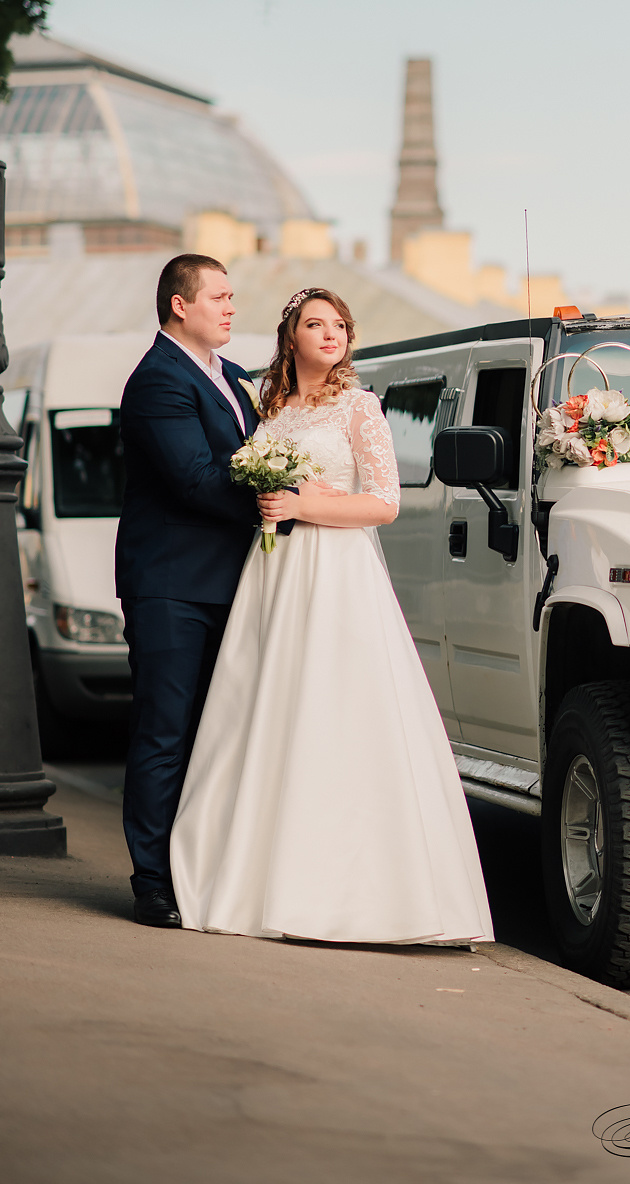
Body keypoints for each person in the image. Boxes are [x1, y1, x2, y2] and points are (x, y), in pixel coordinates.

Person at [169, 288, 494, 947]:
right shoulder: (270, 405)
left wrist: (300, 508)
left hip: (338, 574)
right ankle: (256, 878)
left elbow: (383, 504)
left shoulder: (361, 407)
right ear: (291, 336)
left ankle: (350, 894)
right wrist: (268, 501)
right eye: (315, 324)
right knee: (268, 708)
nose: (330, 334)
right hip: (276, 574)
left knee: (337, 709)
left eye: (339, 325)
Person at [116, 254, 261, 928]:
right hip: (171, 586)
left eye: (233, 297)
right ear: (180, 305)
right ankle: (153, 883)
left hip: (232, 583)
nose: (231, 307)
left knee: (219, 735)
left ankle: (199, 869)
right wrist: (281, 500)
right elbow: (196, 480)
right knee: (164, 733)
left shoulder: (233, 378)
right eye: (220, 297)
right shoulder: (158, 380)